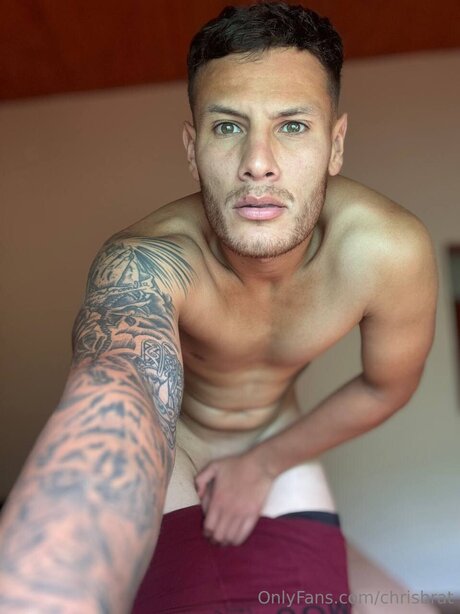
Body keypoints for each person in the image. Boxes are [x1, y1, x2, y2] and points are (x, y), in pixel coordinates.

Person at [0, 2, 438, 613]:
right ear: (192, 147)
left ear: (336, 144)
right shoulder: (146, 261)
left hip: (274, 436)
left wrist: (262, 463)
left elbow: (386, 385)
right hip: (172, 445)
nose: (258, 162)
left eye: (293, 125)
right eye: (228, 127)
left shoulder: (386, 253)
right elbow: (121, 386)